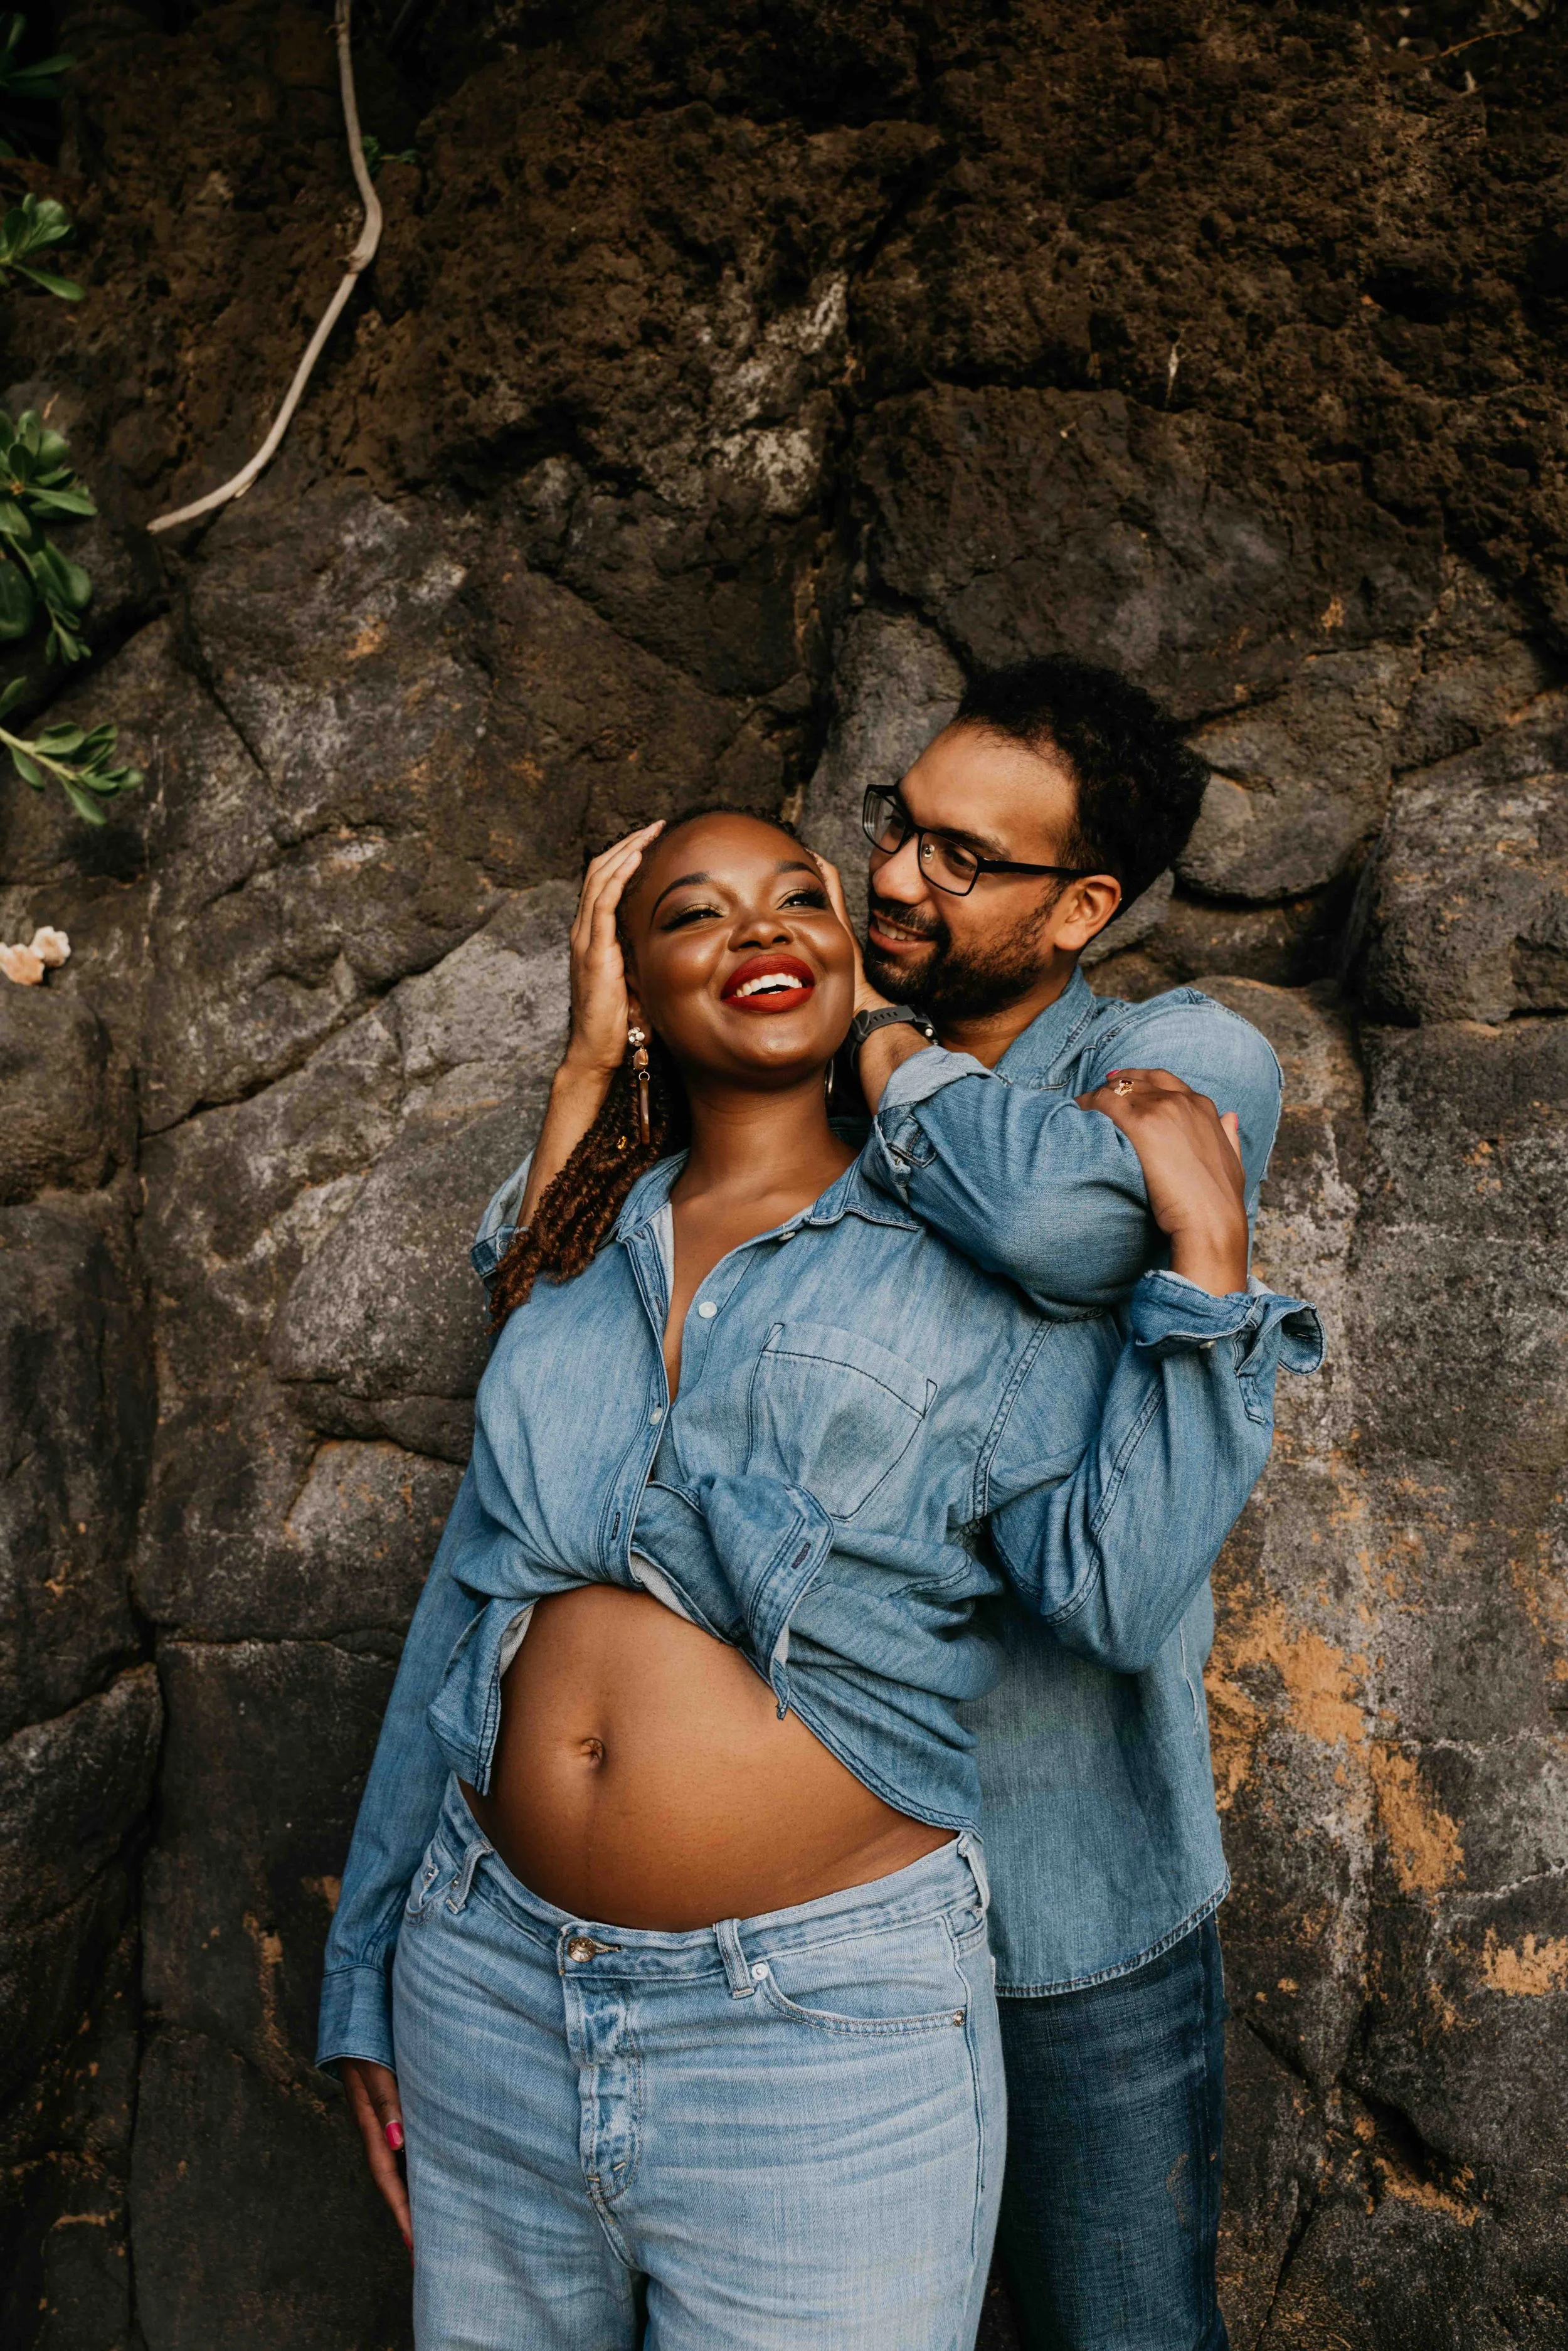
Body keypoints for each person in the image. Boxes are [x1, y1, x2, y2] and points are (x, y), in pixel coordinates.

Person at [317, 805, 1318, 2350]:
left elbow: (1113, 1588)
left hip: (812, 2030)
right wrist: (368, 1964)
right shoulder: (577, 1249)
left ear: (855, 965)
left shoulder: (974, 1257)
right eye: (693, 915)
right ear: (635, 988)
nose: (761, 929)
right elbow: (470, 1600)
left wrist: (1204, 1257)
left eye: (798, 899)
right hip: (490, 1977)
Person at [835, 653, 1293, 2350]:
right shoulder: (795, 1080)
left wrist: (871, 1044)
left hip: (1077, 1904)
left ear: (1081, 903)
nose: (892, 875)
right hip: (819, 1900)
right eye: (899, 824)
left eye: (963, 856)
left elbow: (1065, 1228)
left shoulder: (1184, 1054)